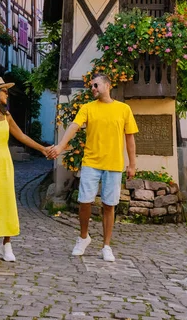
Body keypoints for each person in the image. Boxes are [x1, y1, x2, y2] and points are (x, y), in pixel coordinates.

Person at [49, 73, 138, 262]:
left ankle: (106, 246)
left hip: (113, 165)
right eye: (91, 86)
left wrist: (132, 164)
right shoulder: (87, 108)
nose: (93, 89)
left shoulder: (124, 109)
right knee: (84, 201)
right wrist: (60, 146)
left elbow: (130, 138)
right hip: (91, 162)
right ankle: (83, 237)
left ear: (107, 85)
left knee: (109, 205)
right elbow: (73, 127)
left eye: (96, 85)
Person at [0, 76, 52, 265]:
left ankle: (7, 244)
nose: (7, 94)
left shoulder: (7, 116)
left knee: (6, 202)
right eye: (4, 91)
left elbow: (21, 135)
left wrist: (42, 148)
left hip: (3, 164)